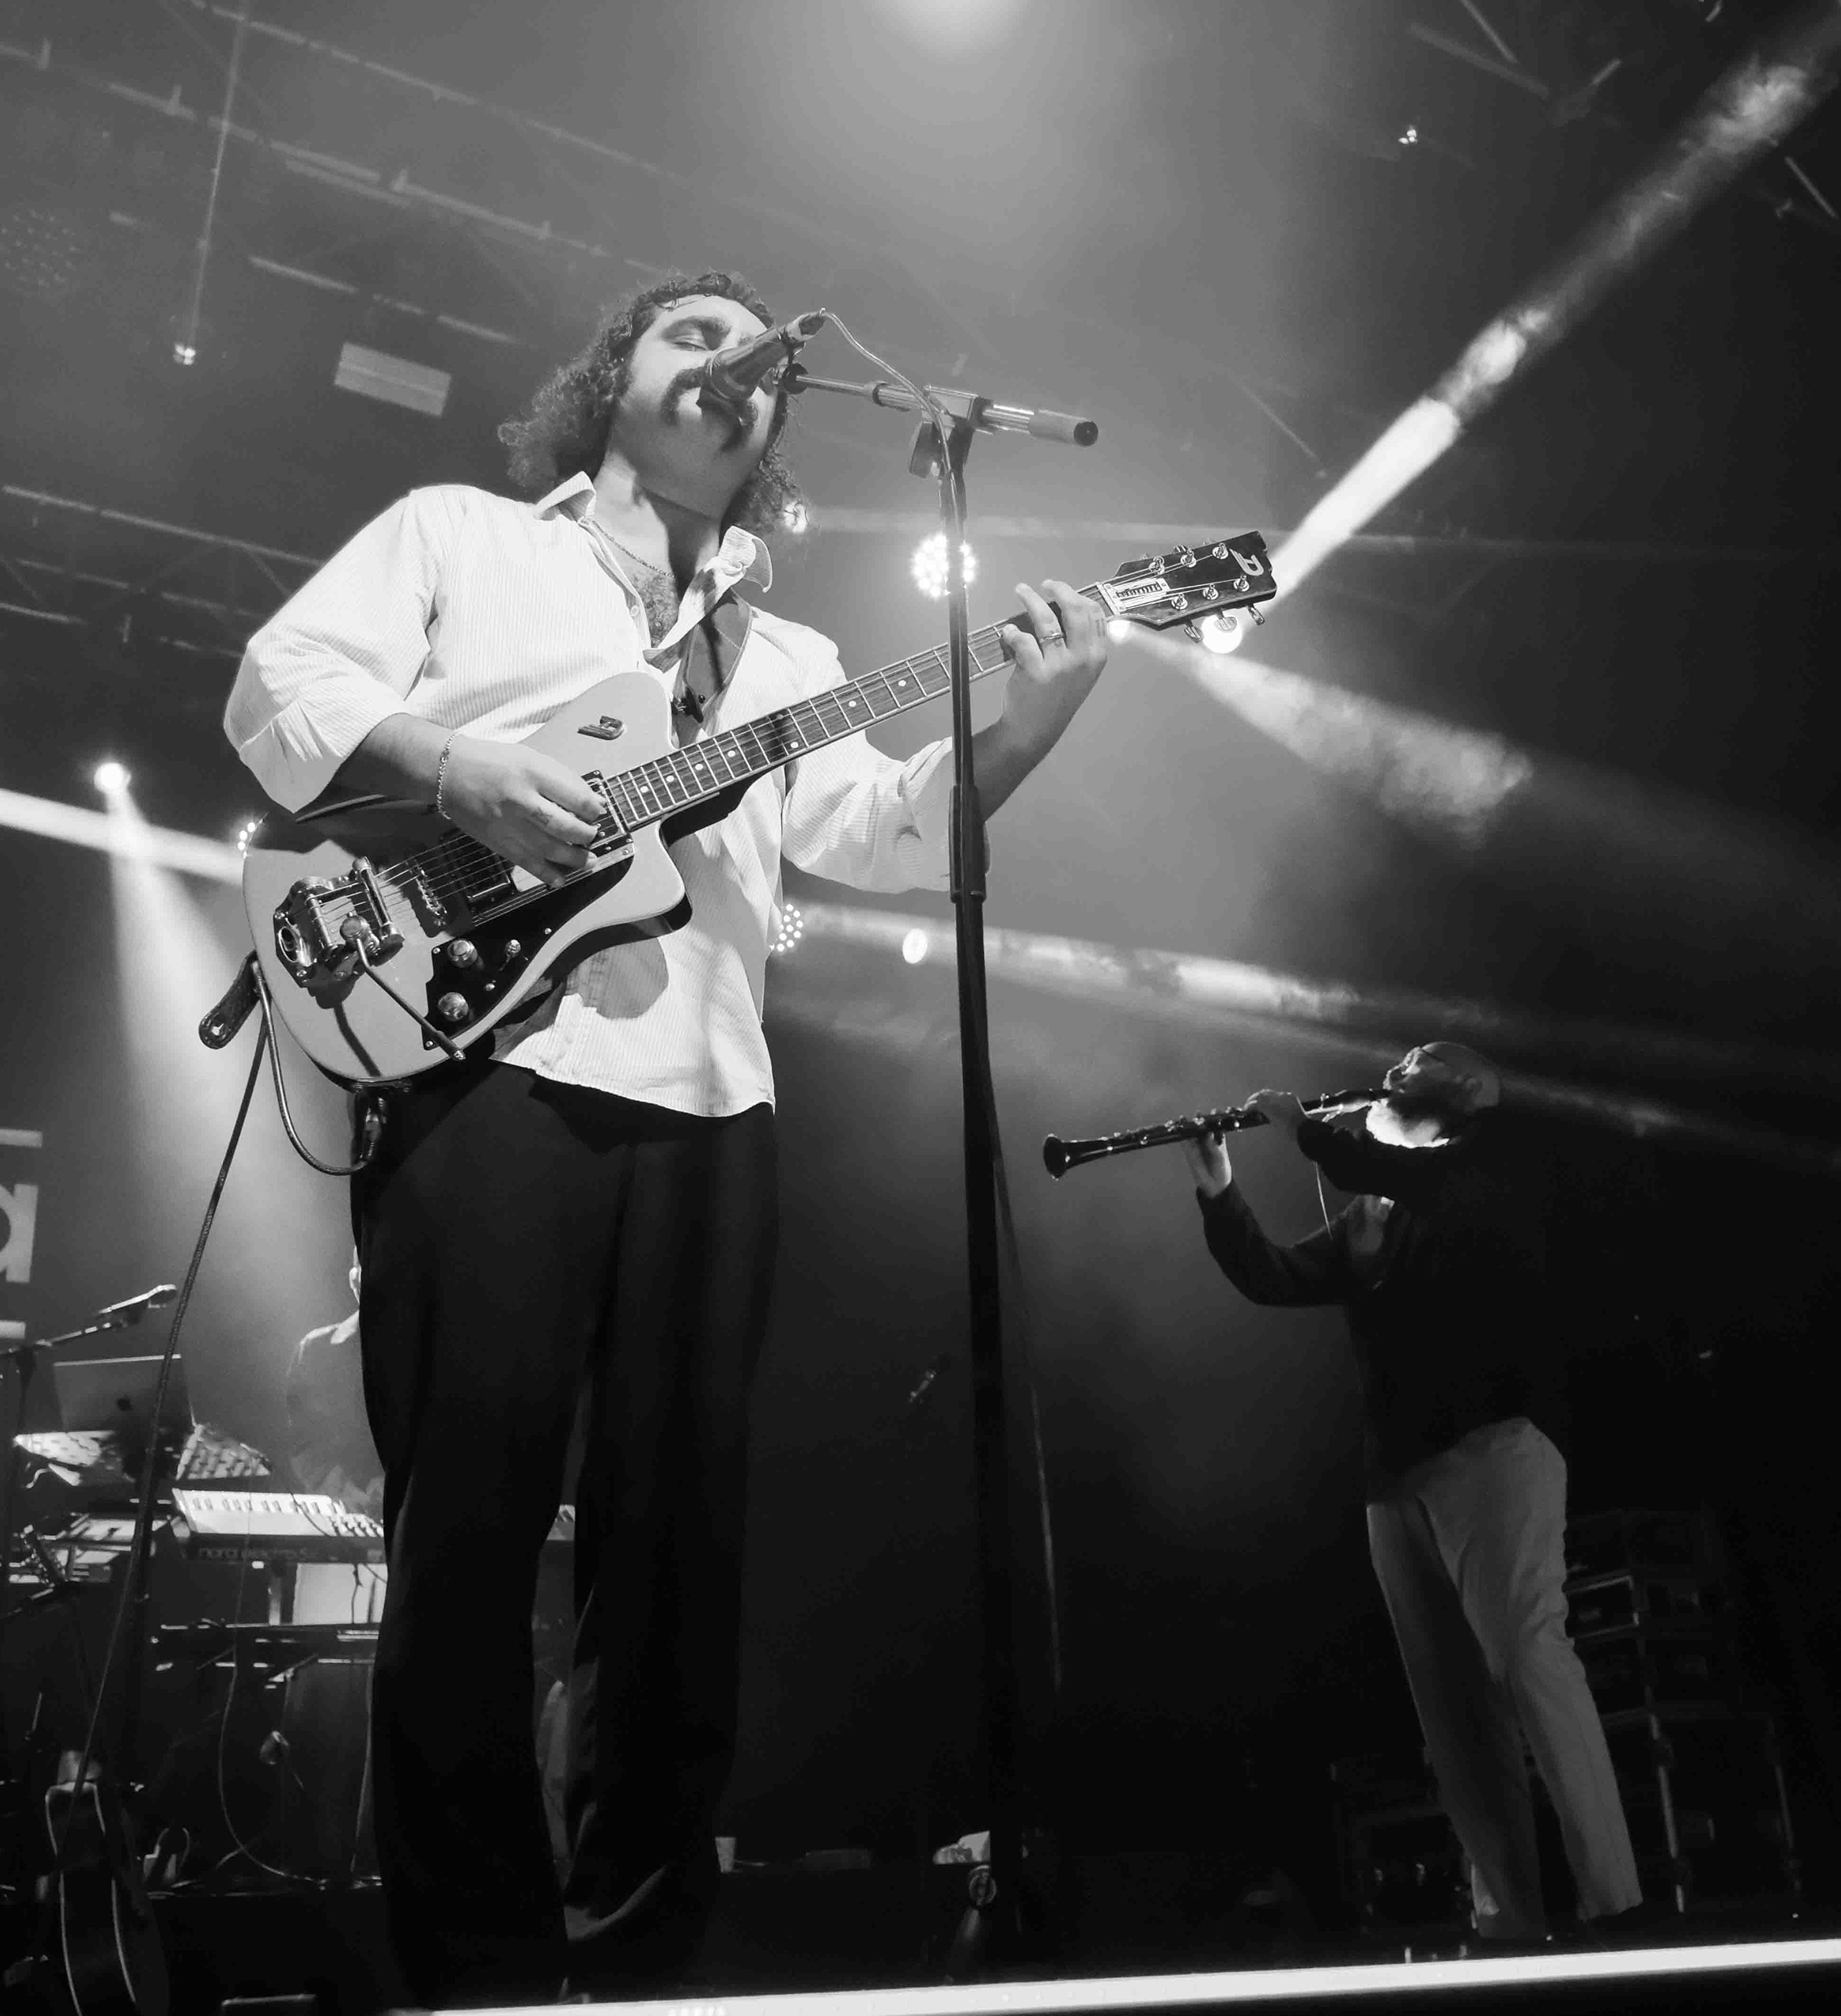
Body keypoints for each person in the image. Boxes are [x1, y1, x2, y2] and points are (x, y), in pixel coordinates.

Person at [224, 269, 1113, 2000]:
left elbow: (890, 827)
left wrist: (1037, 714)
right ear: (610, 377)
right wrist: (458, 770)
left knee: (681, 1558)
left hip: (713, 1103)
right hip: (491, 1073)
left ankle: (639, 1958)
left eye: (755, 356)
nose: (735, 364)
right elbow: (282, 685)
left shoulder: (788, 658)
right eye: (691, 334)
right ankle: (476, 1969)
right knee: (468, 1539)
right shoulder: (466, 537)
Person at [1182, 1044, 1643, 1944]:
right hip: (1396, 1473)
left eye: (1426, 1058)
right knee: (1452, 1709)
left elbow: (1400, 1172)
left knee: (1528, 1654)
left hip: (1496, 1444)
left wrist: (1308, 1132)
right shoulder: (1377, 1200)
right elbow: (1274, 1275)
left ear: (1463, 1091)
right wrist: (1218, 1189)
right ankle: (1509, 1921)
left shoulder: (1487, 1161)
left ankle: (1616, 1902)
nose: (1403, 1061)